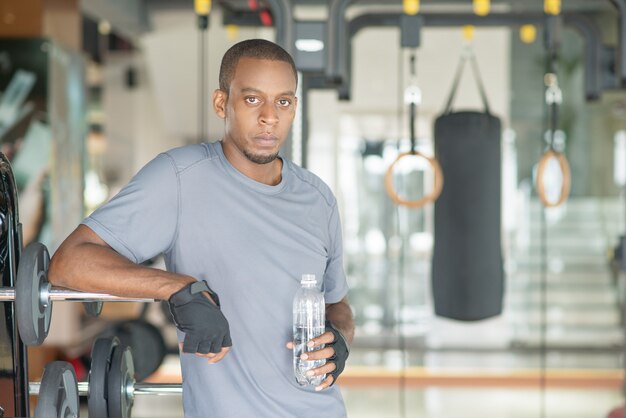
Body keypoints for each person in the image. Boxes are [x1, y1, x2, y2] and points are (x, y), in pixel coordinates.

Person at [48, 39, 354, 418]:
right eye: (253, 99)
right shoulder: (179, 177)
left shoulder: (318, 199)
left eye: (284, 101)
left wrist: (340, 338)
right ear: (222, 103)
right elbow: (68, 264)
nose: (270, 117)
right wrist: (178, 288)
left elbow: (338, 304)